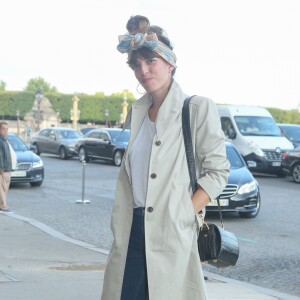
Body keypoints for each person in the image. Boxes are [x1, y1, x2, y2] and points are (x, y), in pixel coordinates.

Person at [101, 15, 230, 300]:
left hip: (171, 229)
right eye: (136, 64)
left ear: (170, 63)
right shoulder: (135, 114)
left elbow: (218, 171)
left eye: (151, 62)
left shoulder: (197, 108)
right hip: (131, 229)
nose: (143, 71)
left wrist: (182, 213)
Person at [0, 122, 16, 213]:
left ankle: (2, 204)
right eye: (3, 129)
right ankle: (3, 205)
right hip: (3, 169)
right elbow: (0, 156)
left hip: (7, 168)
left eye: (7, 129)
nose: (5, 131)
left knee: (4, 188)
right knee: (2, 188)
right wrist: (1, 168)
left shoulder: (4, 140)